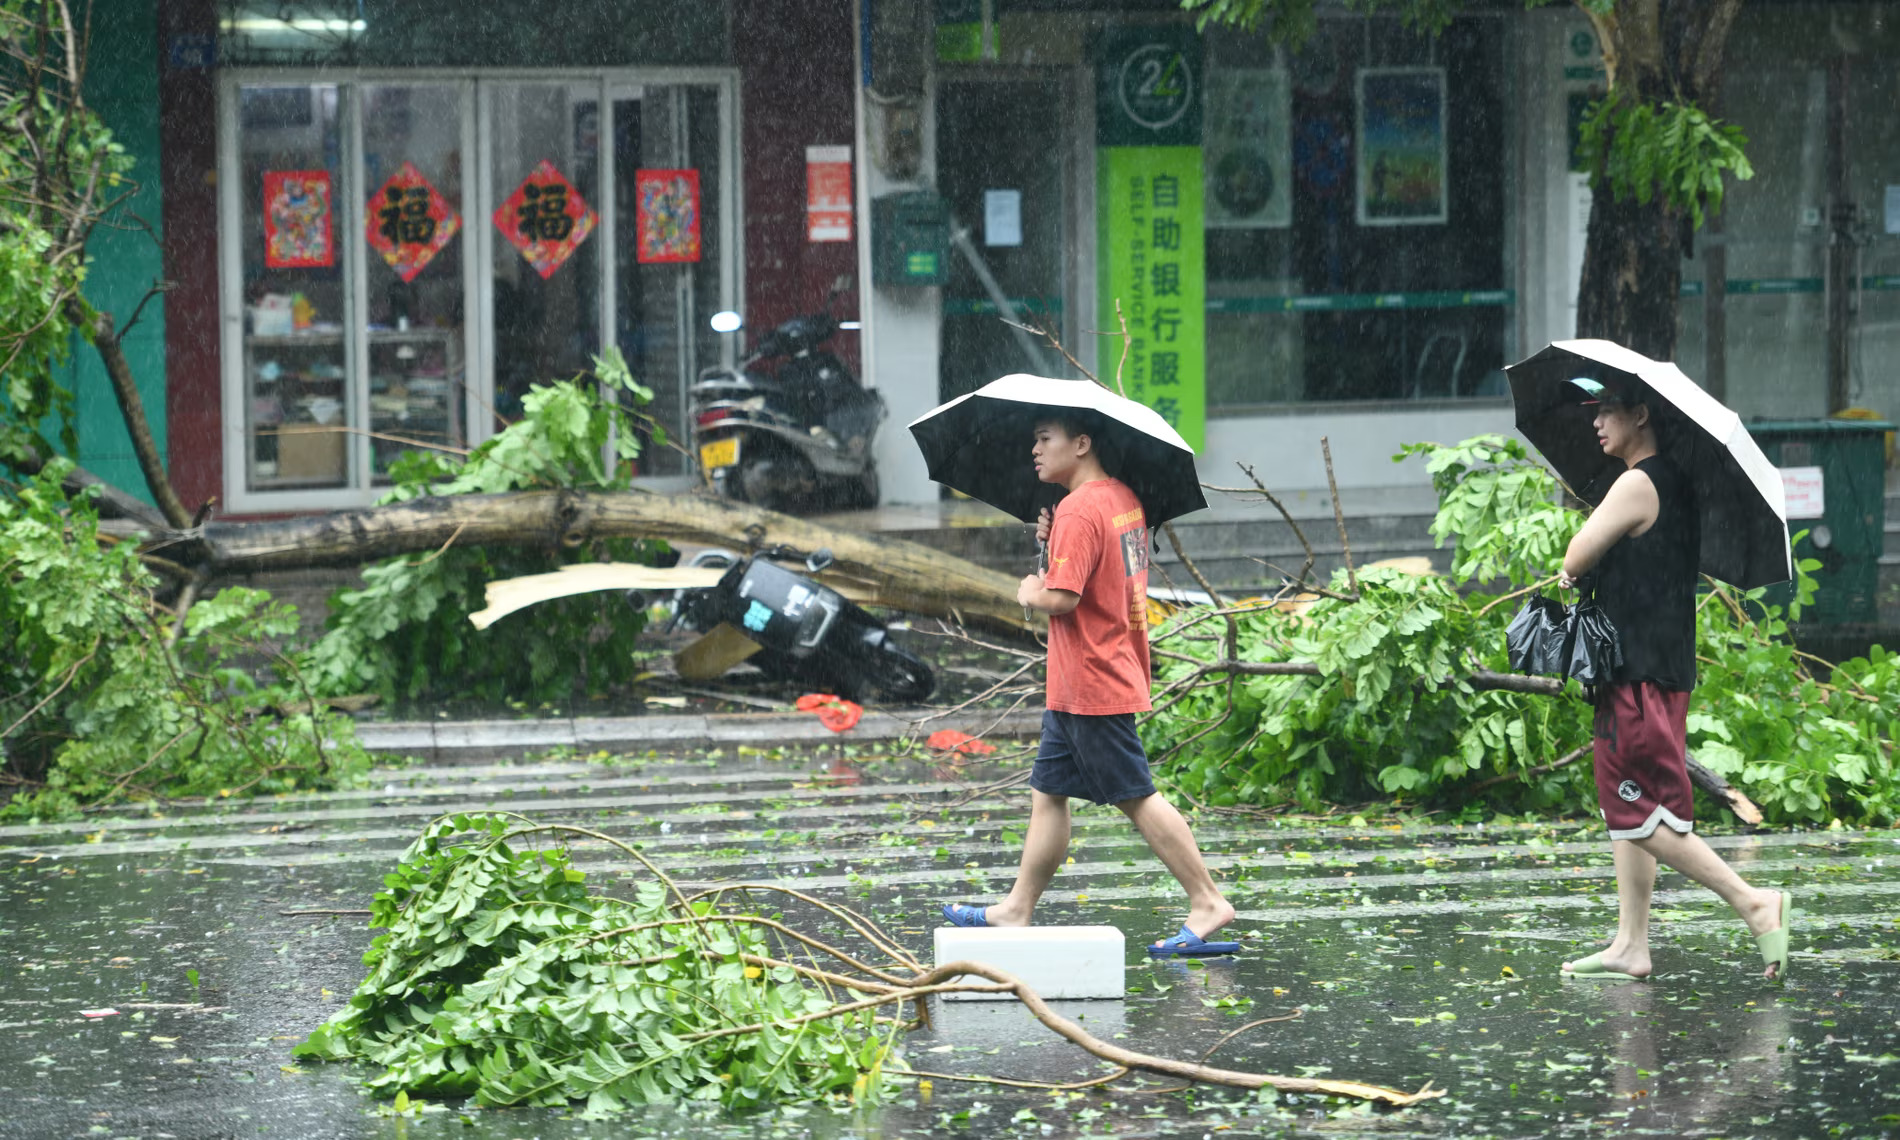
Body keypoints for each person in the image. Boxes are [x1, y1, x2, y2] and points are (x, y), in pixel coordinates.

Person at [941, 412, 1238, 956]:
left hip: (1091, 679)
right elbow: (1099, 573)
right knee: (1048, 795)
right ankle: (1016, 909)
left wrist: (1029, 589)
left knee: (1136, 796)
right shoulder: (1121, 498)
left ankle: (1207, 900)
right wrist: (1054, 546)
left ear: (1081, 444)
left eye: (1044, 438)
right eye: (1034, 438)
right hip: (1098, 669)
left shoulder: (1079, 510)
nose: (1035, 449)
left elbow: (1064, 598)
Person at [1555, 377, 1791, 981]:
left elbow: (1575, 556)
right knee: (1628, 809)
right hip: (1662, 666)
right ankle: (1632, 944)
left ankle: (1754, 903)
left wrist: (1581, 556)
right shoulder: (1677, 484)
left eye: (1607, 411)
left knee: (1638, 804)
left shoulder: (1636, 483)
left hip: (1637, 670)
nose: (1596, 422)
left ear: (1641, 415)